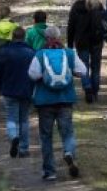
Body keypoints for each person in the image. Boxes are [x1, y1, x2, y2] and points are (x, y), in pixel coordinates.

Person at [28, 26, 88, 181]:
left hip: (44, 101)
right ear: (59, 37)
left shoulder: (40, 54)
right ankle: (68, 152)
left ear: (46, 38)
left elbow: (32, 75)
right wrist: (72, 72)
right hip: (65, 99)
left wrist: (44, 77)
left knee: (46, 136)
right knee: (67, 132)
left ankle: (50, 171)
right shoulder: (69, 53)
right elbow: (83, 71)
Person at [0, 27, 36, 158]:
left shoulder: (4, 52)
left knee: (11, 118)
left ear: (12, 37)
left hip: (9, 90)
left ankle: (14, 137)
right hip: (27, 91)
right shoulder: (31, 52)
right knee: (24, 120)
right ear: (24, 37)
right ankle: (24, 149)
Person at [67, 0, 107, 103]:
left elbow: (71, 27)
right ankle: (95, 90)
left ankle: (87, 88)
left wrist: (70, 44)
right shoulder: (98, 5)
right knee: (96, 66)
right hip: (97, 40)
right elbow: (105, 22)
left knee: (84, 66)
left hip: (81, 41)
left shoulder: (75, 7)